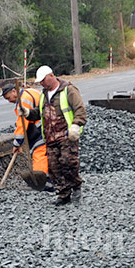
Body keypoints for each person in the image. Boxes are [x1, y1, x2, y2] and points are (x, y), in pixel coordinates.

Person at [23, 66, 86, 205]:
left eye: (43, 80)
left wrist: (76, 125)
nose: (42, 83)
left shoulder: (68, 90)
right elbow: (39, 113)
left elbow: (80, 109)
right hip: (50, 137)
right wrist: (28, 113)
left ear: (51, 76)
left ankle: (76, 187)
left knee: (68, 162)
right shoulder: (44, 94)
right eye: (40, 81)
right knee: (54, 167)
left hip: (66, 136)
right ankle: (63, 194)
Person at [0, 82, 52, 192]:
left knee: (39, 153)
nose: (9, 101)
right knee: (48, 153)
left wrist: (17, 143)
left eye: (9, 98)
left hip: (41, 129)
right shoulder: (31, 91)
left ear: (14, 91)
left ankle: (43, 183)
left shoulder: (24, 100)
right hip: (48, 125)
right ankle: (50, 179)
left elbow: (22, 123)